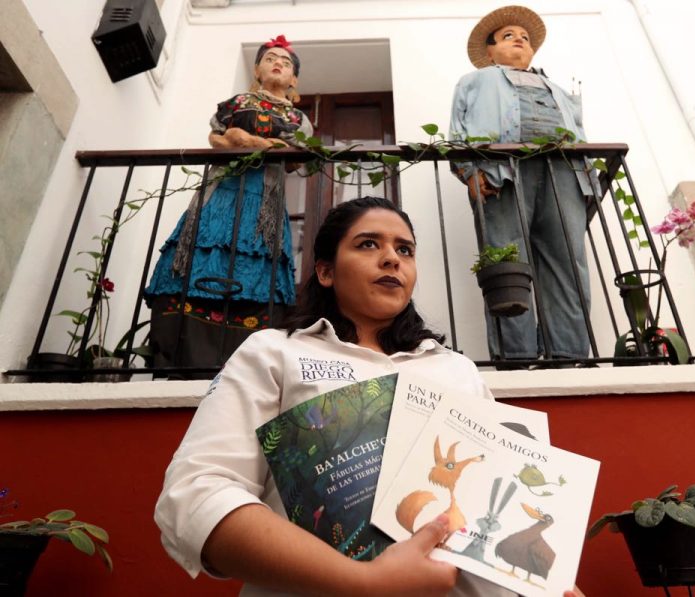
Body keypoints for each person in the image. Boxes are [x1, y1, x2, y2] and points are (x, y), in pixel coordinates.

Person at [155, 196, 585, 596]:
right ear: (325, 271)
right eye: (367, 244)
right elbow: (197, 493)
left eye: (405, 250)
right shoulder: (274, 352)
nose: (391, 259)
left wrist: (553, 581)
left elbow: (503, 497)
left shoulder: (457, 370)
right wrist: (365, 582)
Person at [144, 35, 312, 372]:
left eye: (285, 61)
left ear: (294, 78)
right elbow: (218, 139)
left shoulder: (298, 120)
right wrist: (262, 143)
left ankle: (244, 353)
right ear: (256, 69)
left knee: (256, 260)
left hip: (263, 198)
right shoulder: (236, 103)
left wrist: (245, 140)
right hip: (222, 192)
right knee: (200, 251)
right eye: (270, 58)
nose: (277, 62)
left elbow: (297, 158)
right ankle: (185, 349)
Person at [450, 6, 592, 364]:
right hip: (500, 174)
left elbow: (581, 134)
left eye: (525, 38)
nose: (519, 41)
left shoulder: (558, 89)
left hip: (563, 173)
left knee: (568, 264)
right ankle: (516, 356)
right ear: (491, 50)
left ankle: (570, 354)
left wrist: (588, 182)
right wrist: (470, 172)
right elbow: (457, 133)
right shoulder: (474, 82)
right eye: (509, 36)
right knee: (506, 261)